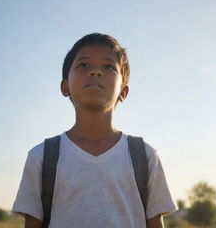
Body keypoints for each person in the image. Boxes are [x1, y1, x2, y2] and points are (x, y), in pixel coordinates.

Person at [12, 33, 177, 228]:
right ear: (65, 87)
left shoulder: (144, 155)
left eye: (108, 67)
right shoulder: (41, 157)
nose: (96, 72)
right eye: (84, 65)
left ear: (123, 91)